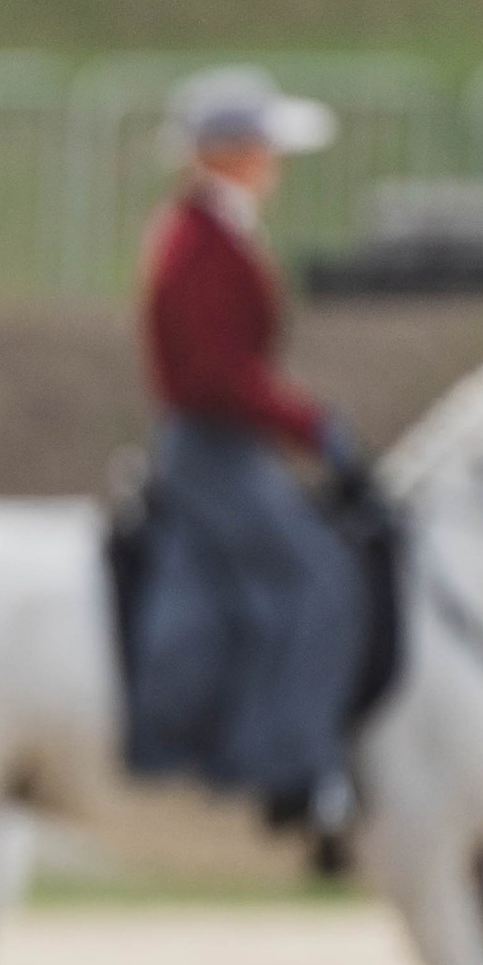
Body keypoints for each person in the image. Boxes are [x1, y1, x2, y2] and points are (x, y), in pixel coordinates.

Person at [130, 65, 369, 831]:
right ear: (229, 151)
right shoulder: (202, 241)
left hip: (227, 440)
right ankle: (288, 765)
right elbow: (217, 373)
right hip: (213, 446)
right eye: (265, 146)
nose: (277, 162)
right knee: (320, 579)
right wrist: (309, 424)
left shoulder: (215, 230)